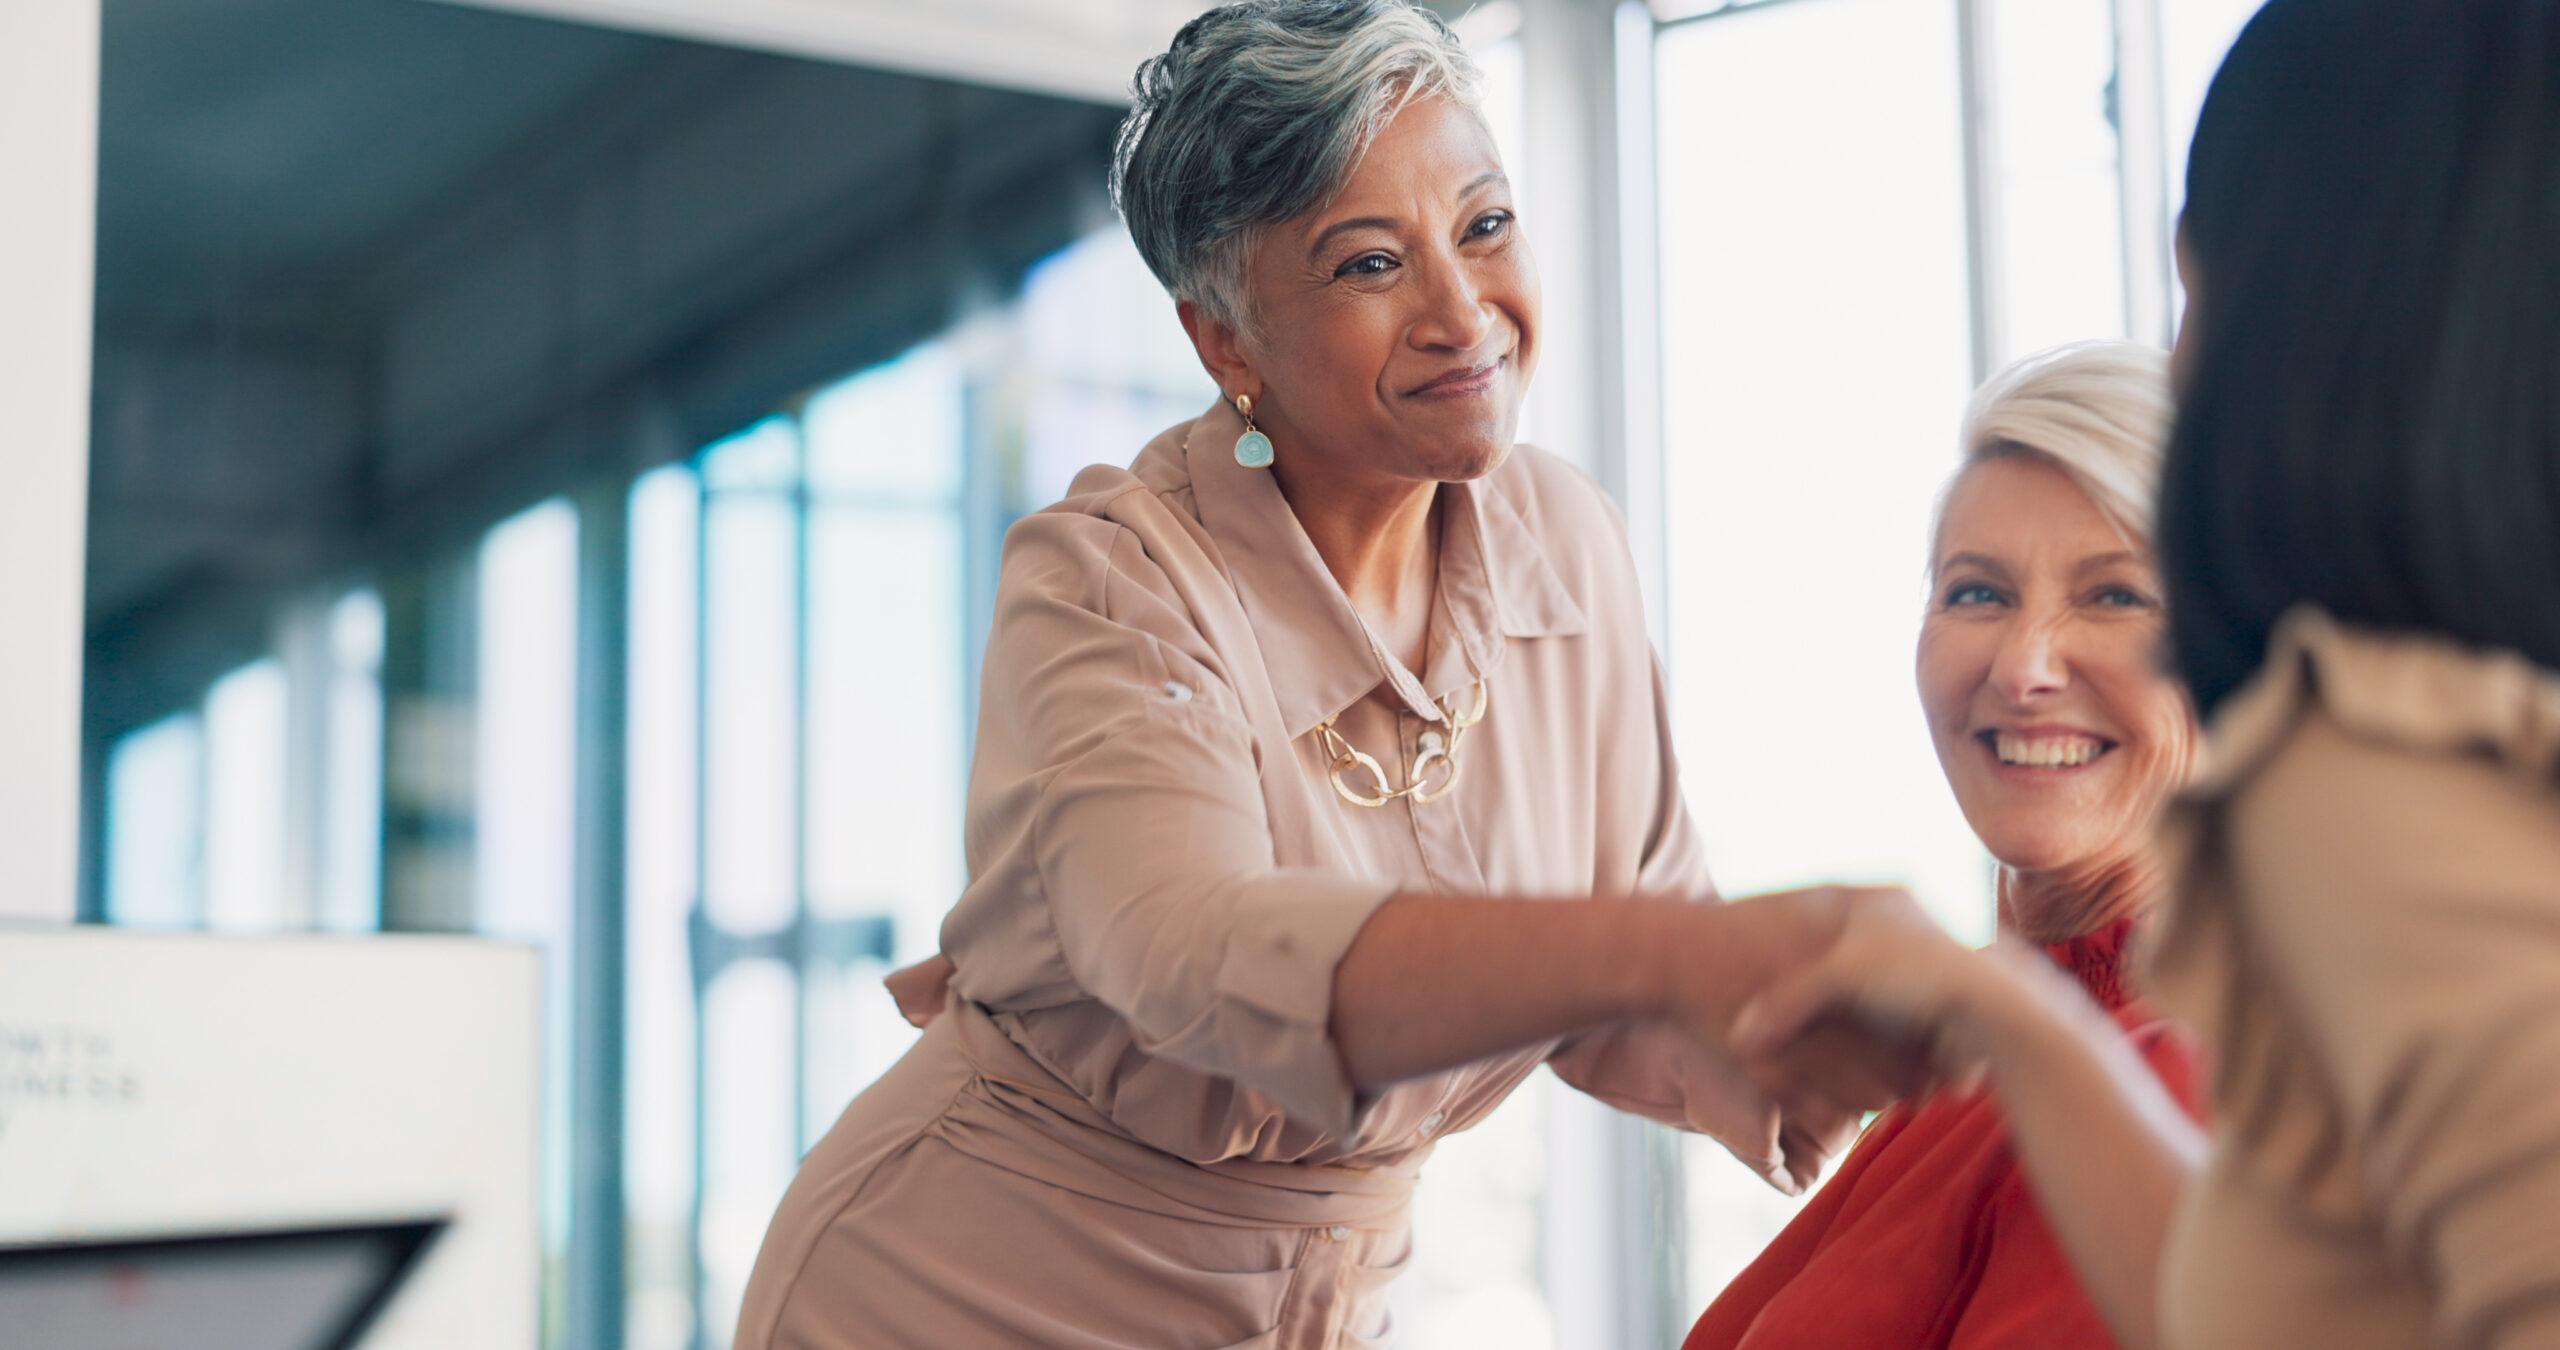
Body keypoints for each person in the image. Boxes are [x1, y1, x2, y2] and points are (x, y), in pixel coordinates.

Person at [733, 4, 1884, 1346]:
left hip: (1318, 1306)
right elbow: (1204, 953)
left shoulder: (1565, 542)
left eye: (1487, 224)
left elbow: (1623, 983)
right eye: (1369, 264)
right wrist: (1683, 956)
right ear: (1225, 340)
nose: (1465, 312)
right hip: (960, 1293)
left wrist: (1757, 1066)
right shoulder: (1112, 584)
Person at [1731, 2, 2560, 1347]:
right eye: (1974, 591)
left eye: (2204, 299)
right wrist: (1986, 999)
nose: (2028, 662)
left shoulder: (2382, 813)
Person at [1687, 341, 2208, 1350]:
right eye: (1977, 592)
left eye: (2113, 595)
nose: (2022, 668)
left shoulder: (2176, 1077)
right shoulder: (1973, 1060)